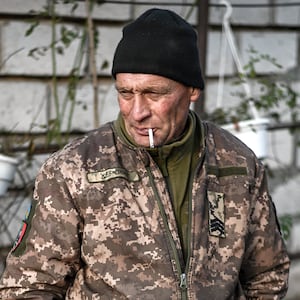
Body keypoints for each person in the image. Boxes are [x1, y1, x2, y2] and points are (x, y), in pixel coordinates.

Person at [0, 8, 290, 300]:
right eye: (125, 93)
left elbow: (267, 276)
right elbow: (28, 286)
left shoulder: (237, 164)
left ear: (192, 90)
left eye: (154, 94)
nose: (137, 112)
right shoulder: (73, 169)